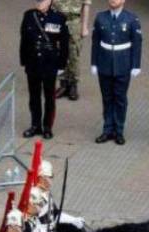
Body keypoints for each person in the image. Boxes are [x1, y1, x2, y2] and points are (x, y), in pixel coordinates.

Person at [90, 0, 141, 146]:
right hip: (104, 62)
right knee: (107, 98)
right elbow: (96, 41)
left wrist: (136, 65)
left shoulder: (132, 19)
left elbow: (137, 42)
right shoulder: (100, 17)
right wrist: (94, 62)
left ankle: (119, 131)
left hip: (123, 64)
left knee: (120, 98)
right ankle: (107, 129)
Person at [19, 0, 69, 140]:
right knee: (34, 96)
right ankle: (35, 125)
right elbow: (24, 40)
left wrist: (61, 65)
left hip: (49, 62)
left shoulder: (59, 18)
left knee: (49, 97)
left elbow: (64, 44)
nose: (39, 2)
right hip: (33, 62)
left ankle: (47, 127)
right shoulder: (29, 16)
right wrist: (23, 60)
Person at [53, 0, 90, 101]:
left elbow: (86, 5)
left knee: (74, 53)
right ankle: (63, 83)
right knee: (59, 51)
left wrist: (84, 26)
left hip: (74, 22)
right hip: (57, 19)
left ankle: (73, 84)